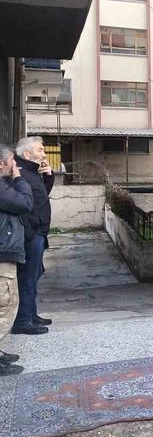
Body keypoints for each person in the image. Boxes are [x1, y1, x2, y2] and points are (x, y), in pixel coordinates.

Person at [12, 137, 54, 336]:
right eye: (39, 150)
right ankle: (23, 321)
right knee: (27, 278)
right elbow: (22, 206)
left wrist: (49, 177)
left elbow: (41, 197)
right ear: (27, 154)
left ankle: (31, 313)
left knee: (34, 275)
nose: (43, 154)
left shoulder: (32, 173)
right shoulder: (20, 174)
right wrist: (31, 231)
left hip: (38, 233)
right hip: (31, 235)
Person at [0, 145, 32, 375]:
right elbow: (25, 204)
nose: (15, 165)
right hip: (2, 255)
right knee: (5, 306)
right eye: (12, 161)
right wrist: (19, 179)